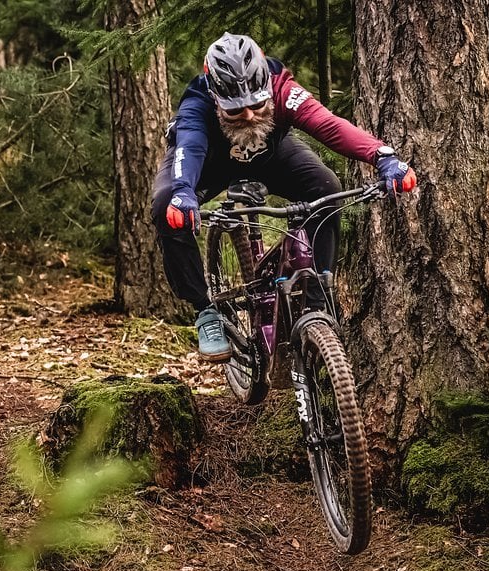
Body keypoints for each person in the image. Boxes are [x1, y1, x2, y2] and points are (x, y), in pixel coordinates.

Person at [152, 32, 417, 362]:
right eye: (235, 111)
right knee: (166, 206)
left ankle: (317, 297)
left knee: (326, 187)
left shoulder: (282, 88)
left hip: (271, 155)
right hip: (211, 164)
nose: (249, 115)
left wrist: (382, 156)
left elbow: (328, 124)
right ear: (216, 97)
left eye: (258, 105)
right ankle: (206, 312)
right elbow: (189, 148)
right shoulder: (197, 103)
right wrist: (182, 192)